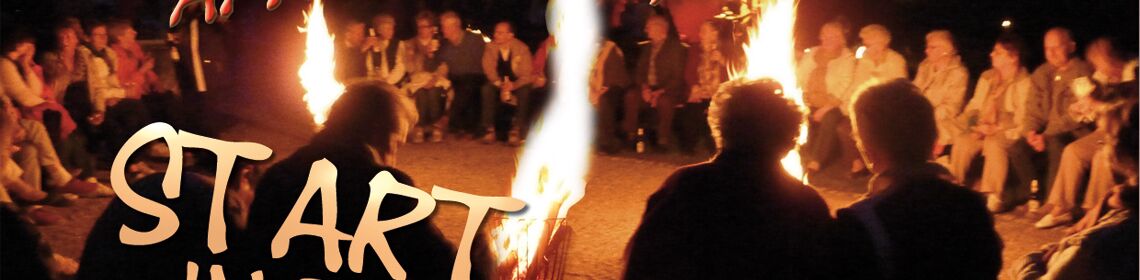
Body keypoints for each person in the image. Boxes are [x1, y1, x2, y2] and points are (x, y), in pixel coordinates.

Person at [244, 81, 491, 278]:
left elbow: (253, 256)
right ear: (376, 130)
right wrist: (480, 254)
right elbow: (439, 268)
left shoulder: (277, 176)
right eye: (396, 142)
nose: (394, 157)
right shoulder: (384, 188)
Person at [624, 79, 833, 279]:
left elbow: (643, 264)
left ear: (720, 130)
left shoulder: (686, 187)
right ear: (791, 139)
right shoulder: (808, 205)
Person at [835, 79, 1003, 279]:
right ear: (932, 137)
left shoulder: (859, 224)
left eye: (858, 136)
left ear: (868, 148)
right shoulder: (972, 207)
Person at [1037, 38, 1138, 228]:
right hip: (1105, 128)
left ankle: (1092, 212)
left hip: (1127, 131)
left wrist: (1097, 105)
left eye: (1098, 60)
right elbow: (1093, 102)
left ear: (1110, 57)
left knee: (1103, 158)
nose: (1096, 66)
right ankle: (1062, 209)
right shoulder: (1102, 75)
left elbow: (1126, 105)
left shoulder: (1134, 71)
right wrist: (1082, 108)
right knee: (1073, 151)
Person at [1009, 28, 1095, 211]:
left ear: (1071, 47)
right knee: (1017, 148)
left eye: (1057, 47)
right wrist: (1030, 132)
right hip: (1047, 132)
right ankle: (1033, 195)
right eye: (1047, 48)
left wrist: (1046, 135)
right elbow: (1033, 108)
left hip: (1073, 133)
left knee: (1056, 144)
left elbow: (1080, 114)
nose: (1051, 53)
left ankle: (1053, 202)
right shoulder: (1042, 73)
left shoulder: (1081, 72)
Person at [949, 34, 1032, 212]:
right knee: (963, 142)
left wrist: (997, 128)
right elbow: (974, 107)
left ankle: (993, 196)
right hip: (983, 126)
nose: (992, 55)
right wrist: (973, 125)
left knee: (995, 143)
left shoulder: (1024, 82)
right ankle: (954, 188)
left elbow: (1022, 118)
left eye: (998, 52)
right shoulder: (987, 78)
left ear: (1013, 57)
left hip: (1007, 130)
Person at [796, 19, 857, 174]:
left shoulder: (846, 58)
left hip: (833, 104)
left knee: (829, 118)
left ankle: (817, 160)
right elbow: (799, 76)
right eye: (824, 35)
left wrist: (823, 109)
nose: (826, 39)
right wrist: (800, 95)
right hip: (808, 99)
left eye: (831, 37)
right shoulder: (812, 53)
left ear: (840, 39)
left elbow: (845, 86)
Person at [622, 15, 686, 152]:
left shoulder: (675, 48)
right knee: (631, 96)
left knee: (664, 102)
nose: (646, 30)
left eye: (648, 27)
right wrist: (645, 88)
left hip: (667, 89)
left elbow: (677, 77)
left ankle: (663, 140)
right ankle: (631, 135)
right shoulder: (647, 47)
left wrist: (659, 92)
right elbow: (639, 72)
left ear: (659, 28)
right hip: (648, 88)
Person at [913, 30, 968, 157]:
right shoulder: (925, 66)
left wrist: (925, 114)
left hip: (943, 121)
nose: (926, 51)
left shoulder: (958, 73)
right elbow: (914, 90)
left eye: (932, 47)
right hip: (920, 115)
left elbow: (952, 107)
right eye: (927, 47)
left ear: (945, 50)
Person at [479, 21, 534, 146]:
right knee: (487, 89)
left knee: (525, 91)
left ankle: (517, 129)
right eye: (496, 32)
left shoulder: (522, 49)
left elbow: (526, 74)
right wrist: (500, 84)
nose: (496, 35)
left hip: (517, 83)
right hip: (499, 82)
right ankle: (489, 129)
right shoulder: (490, 48)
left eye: (500, 33)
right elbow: (488, 68)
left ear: (510, 35)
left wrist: (513, 86)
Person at [678, 20, 728, 154]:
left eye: (704, 31)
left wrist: (723, 61)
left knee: (716, 109)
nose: (700, 34)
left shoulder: (726, 49)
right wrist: (694, 87)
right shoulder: (695, 50)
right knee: (692, 109)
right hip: (699, 91)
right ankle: (688, 146)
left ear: (715, 33)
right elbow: (688, 71)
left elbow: (735, 71)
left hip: (719, 92)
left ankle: (714, 146)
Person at [402, 11, 451, 143]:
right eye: (420, 26)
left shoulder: (440, 43)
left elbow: (444, 65)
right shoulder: (410, 44)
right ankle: (421, 126)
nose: (422, 30)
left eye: (426, 26)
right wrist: (418, 56)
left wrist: (434, 78)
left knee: (434, 91)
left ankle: (435, 126)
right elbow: (410, 68)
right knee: (422, 92)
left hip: (436, 78)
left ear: (432, 28)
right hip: (418, 78)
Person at [438, 11, 487, 139]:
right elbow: (444, 66)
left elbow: (483, 62)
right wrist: (437, 76)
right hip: (456, 78)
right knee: (460, 86)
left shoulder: (475, 39)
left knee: (468, 85)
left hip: (476, 76)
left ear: (455, 26)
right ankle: (462, 127)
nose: (442, 29)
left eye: (445, 26)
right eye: (442, 26)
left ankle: (449, 119)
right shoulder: (445, 45)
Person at [593, 39, 631, 154]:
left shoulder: (611, 49)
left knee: (604, 101)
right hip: (591, 86)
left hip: (612, 86)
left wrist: (603, 87)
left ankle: (606, 142)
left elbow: (615, 74)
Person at [366, 14, 407, 87]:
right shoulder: (372, 44)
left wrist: (387, 82)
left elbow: (400, 66)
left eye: (392, 28)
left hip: (394, 84)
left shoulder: (398, 44)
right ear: (379, 30)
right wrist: (375, 80)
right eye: (387, 29)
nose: (390, 31)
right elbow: (369, 66)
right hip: (376, 84)